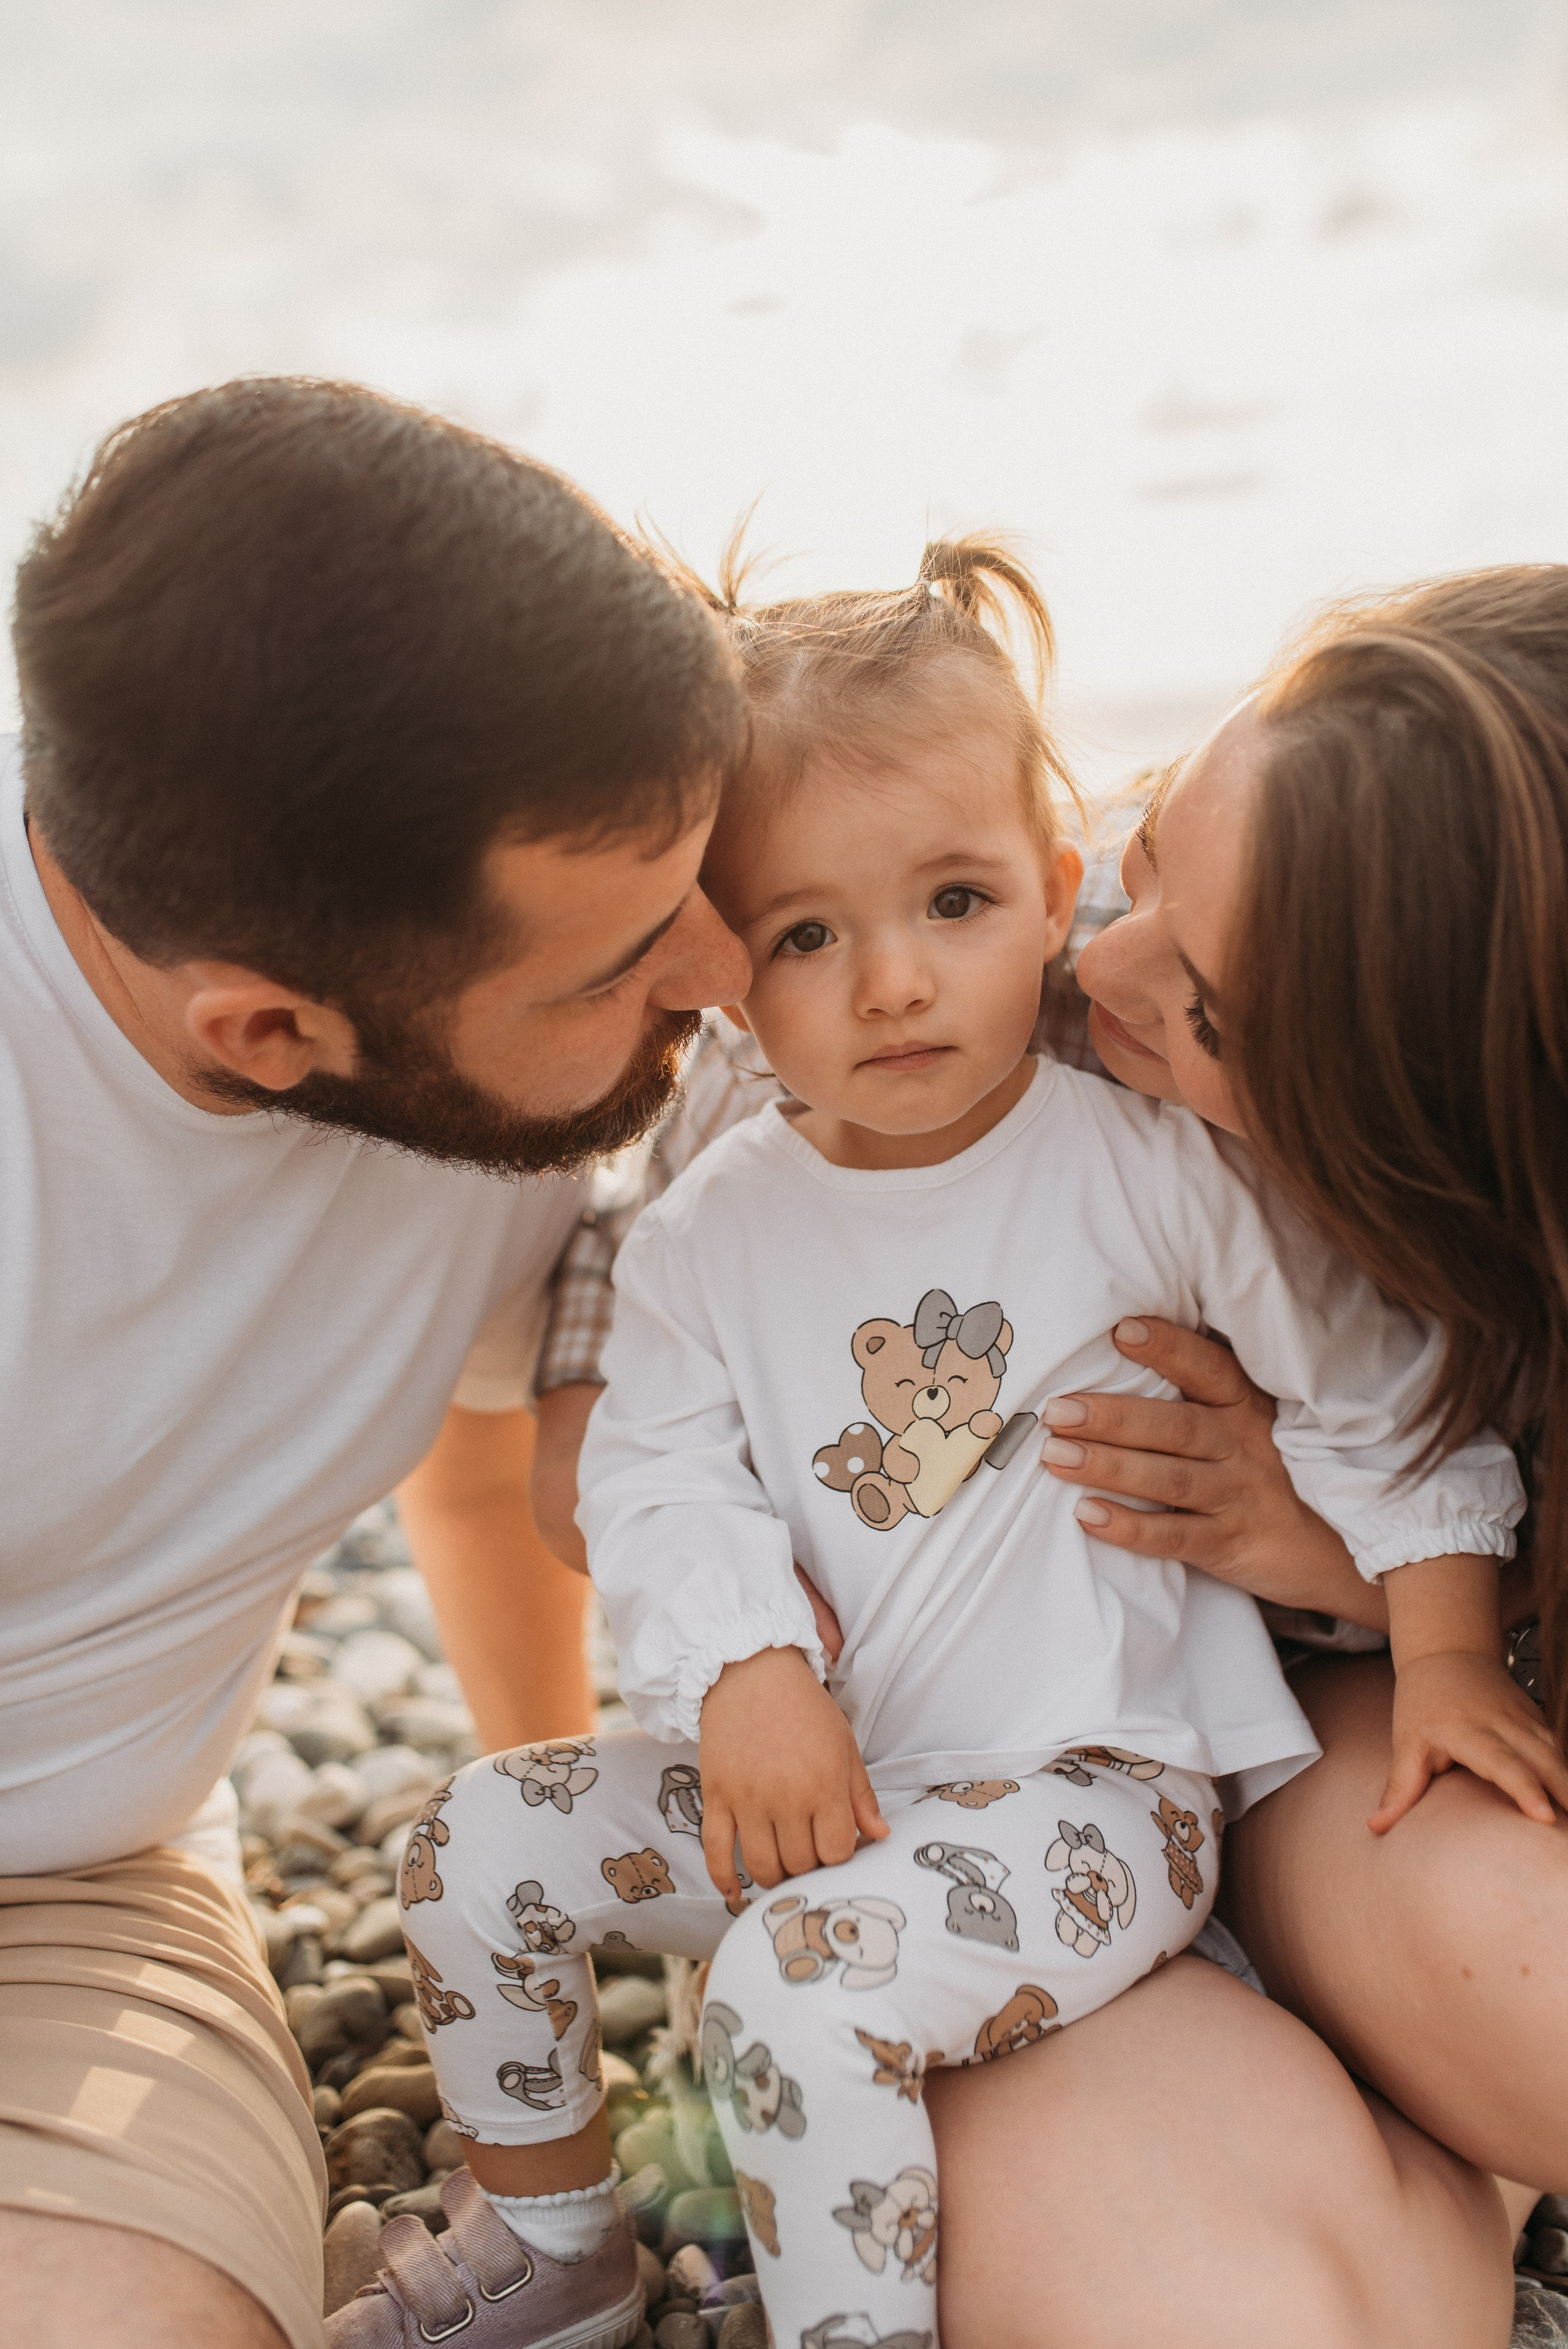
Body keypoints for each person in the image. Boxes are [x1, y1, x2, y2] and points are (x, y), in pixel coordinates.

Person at [338, 545, 1535, 2349]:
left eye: (959, 903)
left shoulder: (1148, 1171)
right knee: (473, 1843)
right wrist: (746, 1660)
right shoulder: (708, 1230)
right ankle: (557, 2238)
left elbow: (1374, 1386)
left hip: (1093, 1796)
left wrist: (1440, 1644)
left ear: (1044, 889)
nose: (895, 982)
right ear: (726, 976)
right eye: (810, 934)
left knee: (790, 2000)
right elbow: (647, 1473)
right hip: (840, 1785)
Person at [0, 375, 751, 2349]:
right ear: (267, 1034)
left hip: (63, 1903)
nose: (722, 972)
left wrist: (560, 1842)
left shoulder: (493, 1097)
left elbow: (481, 1433)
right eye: (620, 963)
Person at [922, 566, 1568, 2349]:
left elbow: (1482, 1646)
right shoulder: (980, 1019)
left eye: (1203, 1008)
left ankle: (1408, 2102)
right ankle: (1367, 2158)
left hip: (1314, 1764)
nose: (1097, 963)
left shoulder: (1456, 1275)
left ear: (1415, 1151)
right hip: (999, 1801)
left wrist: (1320, 1550)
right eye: (1144, 849)